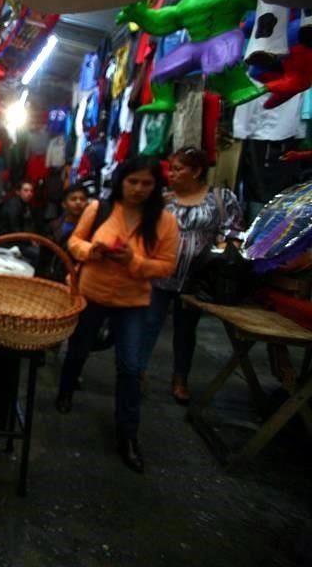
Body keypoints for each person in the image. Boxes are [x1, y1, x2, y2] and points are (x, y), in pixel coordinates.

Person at [55, 157, 179, 474]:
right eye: (132, 181)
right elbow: (74, 241)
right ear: (122, 181)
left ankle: (128, 435)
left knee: (131, 366)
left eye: (146, 183)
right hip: (92, 292)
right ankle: (65, 391)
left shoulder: (165, 222)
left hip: (133, 300)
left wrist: (133, 261)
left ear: (156, 186)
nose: (138, 189)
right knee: (79, 348)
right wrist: (90, 251)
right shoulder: (100, 209)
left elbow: (167, 266)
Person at [142, 147, 245, 404]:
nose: (172, 174)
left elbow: (233, 233)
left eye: (178, 169)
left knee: (186, 330)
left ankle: (180, 379)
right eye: (171, 169)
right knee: (149, 325)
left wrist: (222, 253)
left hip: (196, 280)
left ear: (196, 171)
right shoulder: (163, 200)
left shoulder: (220, 199)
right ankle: (137, 372)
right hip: (160, 277)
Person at [40, 184, 90, 281]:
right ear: (64, 204)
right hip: (51, 279)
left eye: (82, 199)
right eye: (73, 199)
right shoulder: (53, 227)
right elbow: (43, 258)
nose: (78, 202)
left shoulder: (90, 230)